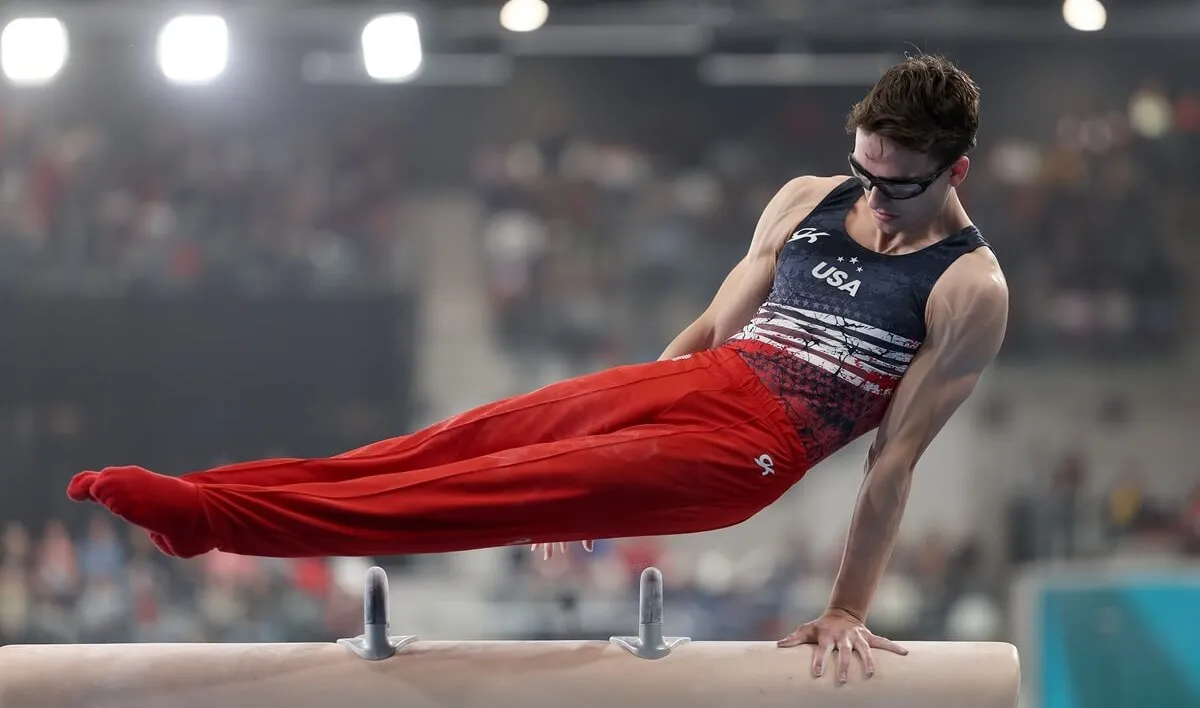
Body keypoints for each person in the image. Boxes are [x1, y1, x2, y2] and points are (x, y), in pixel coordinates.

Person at [68, 54, 1007, 682]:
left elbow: (893, 463)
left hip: (756, 451)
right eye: (866, 171)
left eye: (900, 184)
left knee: (479, 493)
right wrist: (621, 420)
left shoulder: (968, 289)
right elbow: (712, 331)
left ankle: (213, 521)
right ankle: (205, 499)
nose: (876, 197)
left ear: (956, 171)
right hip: (700, 384)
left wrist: (846, 606)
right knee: (464, 438)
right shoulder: (808, 196)